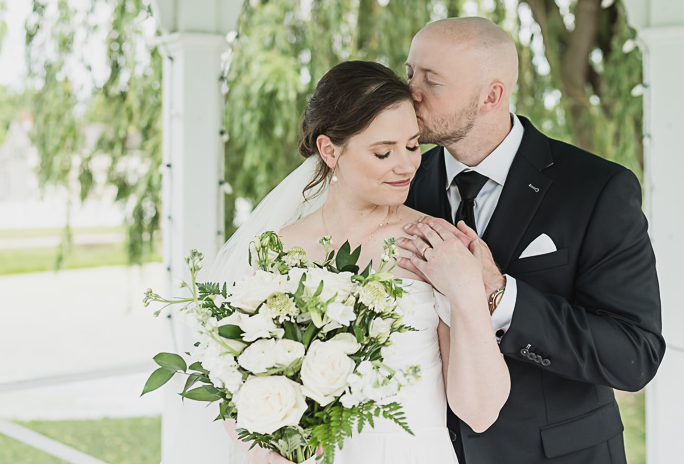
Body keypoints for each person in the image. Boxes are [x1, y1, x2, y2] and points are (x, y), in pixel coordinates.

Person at [394, 16, 666, 463]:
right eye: (409, 74)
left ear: (491, 96)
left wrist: (501, 296)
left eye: (431, 81)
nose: (410, 93)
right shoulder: (401, 186)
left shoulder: (597, 189)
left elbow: (634, 354)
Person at [210, 60, 510, 464]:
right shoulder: (277, 251)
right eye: (383, 152)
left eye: (412, 145)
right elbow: (238, 387)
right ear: (330, 150)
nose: (406, 165)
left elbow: (479, 412)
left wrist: (469, 292)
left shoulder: (434, 244)